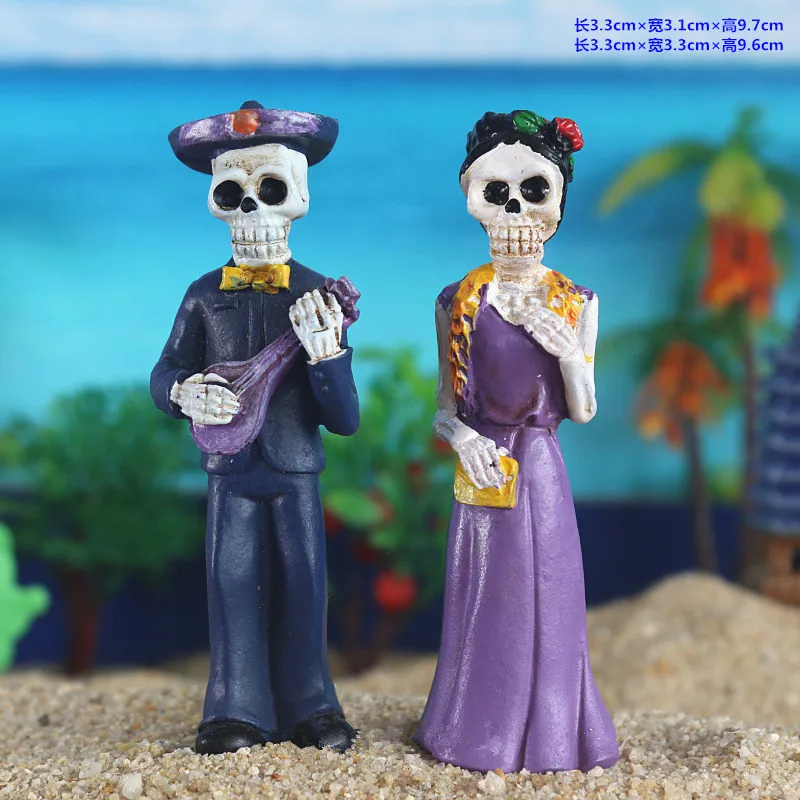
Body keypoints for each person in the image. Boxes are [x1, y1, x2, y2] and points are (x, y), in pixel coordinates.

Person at [151, 102, 359, 755]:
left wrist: (327, 356)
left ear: (300, 198)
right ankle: (234, 706)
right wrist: (184, 392)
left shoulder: (319, 294)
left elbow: (345, 419)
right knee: (230, 585)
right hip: (231, 471)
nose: (251, 210)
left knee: (305, 586)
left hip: (295, 468)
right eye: (232, 195)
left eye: (271, 190)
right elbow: (164, 371)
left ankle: (312, 703)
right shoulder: (202, 294)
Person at [414, 110, 619, 774]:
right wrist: (463, 440)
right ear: (472, 200)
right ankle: (473, 729)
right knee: (486, 601)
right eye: (494, 192)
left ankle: (554, 735)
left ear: (558, 205)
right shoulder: (457, 301)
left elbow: (583, 411)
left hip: (540, 464)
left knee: (549, 594)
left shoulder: (576, 302)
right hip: (486, 467)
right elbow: (445, 408)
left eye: (534, 191)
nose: (515, 212)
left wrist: (568, 355)